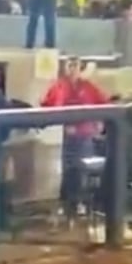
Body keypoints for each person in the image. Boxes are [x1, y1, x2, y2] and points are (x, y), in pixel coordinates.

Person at [40, 57, 108, 222]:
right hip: (65, 136)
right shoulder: (58, 86)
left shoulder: (88, 87)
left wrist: (99, 122)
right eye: (69, 65)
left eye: (75, 65)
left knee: (82, 170)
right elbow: (46, 105)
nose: (72, 69)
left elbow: (103, 103)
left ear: (80, 68)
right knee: (68, 171)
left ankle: (80, 203)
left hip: (85, 134)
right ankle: (67, 204)